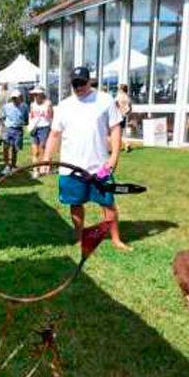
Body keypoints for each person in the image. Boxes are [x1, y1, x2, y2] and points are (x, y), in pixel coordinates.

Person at [44, 66, 132, 250]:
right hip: (71, 168)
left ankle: (116, 239)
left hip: (100, 166)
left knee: (108, 204)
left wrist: (115, 155)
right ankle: (79, 236)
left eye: (82, 83)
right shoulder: (64, 106)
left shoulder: (105, 100)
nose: (79, 87)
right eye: (75, 84)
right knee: (75, 204)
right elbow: (54, 134)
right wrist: (47, 157)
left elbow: (115, 128)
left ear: (89, 80)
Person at [28, 85, 53, 178]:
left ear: (41, 94)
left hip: (44, 127)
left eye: (37, 94)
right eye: (34, 94)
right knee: (35, 151)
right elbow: (31, 116)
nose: (35, 96)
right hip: (34, 128)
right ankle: (36, 170)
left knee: (43, 148)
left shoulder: (47, 104)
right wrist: (31, 126)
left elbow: (51, 117)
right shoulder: (32, 104)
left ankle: (46, 166)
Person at [0, 90, 26, 175]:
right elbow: (2, 118)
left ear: (20, 98)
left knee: (15, 149)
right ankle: (7, 166)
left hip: (18, 130)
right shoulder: (6, 107)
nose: (14, 99)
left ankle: (13, 165)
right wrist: (3, 128)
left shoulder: (24, 107)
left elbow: (26, 119)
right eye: (13, 98)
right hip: (8, 129)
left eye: (16, 98)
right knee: (6, 148)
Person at [115, 83, 133, 153]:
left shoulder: (119, 96)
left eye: (119, 88)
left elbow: (115, 104)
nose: (118, 90)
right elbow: (130, 108)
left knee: (118, 132)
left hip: (118, 115)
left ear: (121, 89)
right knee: (122, 132)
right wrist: (127, 113)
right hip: (124, 116)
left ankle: (123, 145)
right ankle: (126, 144)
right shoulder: (127, 97)